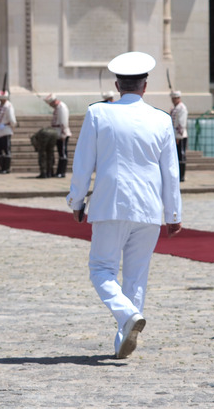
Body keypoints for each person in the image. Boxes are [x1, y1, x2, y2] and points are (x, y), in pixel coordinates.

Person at [67, 51, 183, 360]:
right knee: (136, 275)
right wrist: (173, 213)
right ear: (145, 86)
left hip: (110, 204)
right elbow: (171, 171)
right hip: (148, 208)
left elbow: (83, 164)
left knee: (101, 269)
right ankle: (124, 336)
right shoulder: (161, 118)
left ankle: (126, 315)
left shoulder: (98, 114)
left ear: (118, 85)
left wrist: (76, 200)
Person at [44, 94, 72, 178]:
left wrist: (63, 134)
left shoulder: (61, 107)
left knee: (62, 153)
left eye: (50, 104)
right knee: (60, 153)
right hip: (57, 133)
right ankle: (58, 172)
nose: (50, 106)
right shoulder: (57, 107)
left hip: (61, 133)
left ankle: (61, 172)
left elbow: (64, 122)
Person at [0, 90, 17, 174]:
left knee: (6, 150)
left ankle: (6, 168)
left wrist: (12, 125)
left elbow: (12, 119)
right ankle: (0, 166)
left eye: (3, 99)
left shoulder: (8, 106)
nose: (2, 100)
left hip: (5, 129)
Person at [170, 90, 188, 182]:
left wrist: (178, 137)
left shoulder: (181, 108)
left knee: (181, 155)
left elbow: (181, 123)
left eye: (174, 98)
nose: (173, 100)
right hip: (175, 135)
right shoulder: (176, 107)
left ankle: (182, 176)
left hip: (180, 136)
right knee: (176, 155)